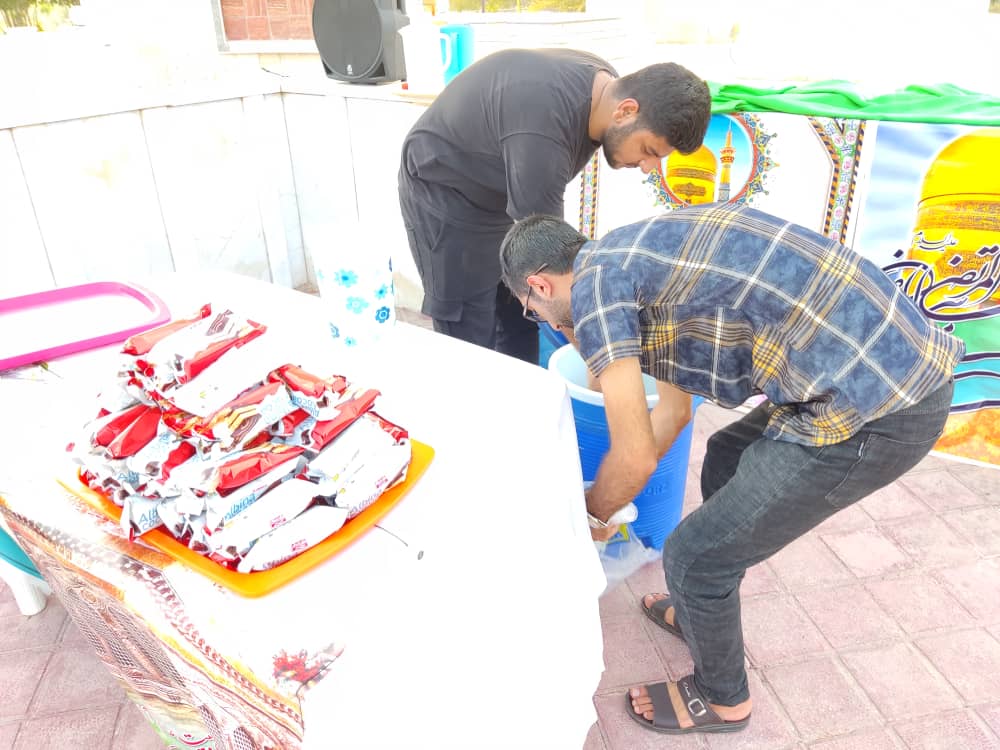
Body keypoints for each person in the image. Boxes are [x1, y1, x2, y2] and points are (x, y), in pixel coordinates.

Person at [499, 205, 964, 735]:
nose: (550, 326)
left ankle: (723, 699)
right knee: (725, 454)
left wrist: (594, 516)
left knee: (693, 556)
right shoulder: (633, 257)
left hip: (883, 405)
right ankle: (702, 605)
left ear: (538, 285)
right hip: (872, 365)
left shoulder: (595, 293)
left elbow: (635, 454)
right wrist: (614, 493)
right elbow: (673, 414)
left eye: (534, 312)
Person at [398, 48, 711, 364]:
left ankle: (524, 388)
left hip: (499, 186)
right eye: (649, 150)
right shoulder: (543, 132)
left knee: (522, 309)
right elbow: (554, 273)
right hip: (445, 191)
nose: (649, 168)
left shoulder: (604, 89)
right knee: (470, 327)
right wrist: (602, 362)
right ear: (626, 111)